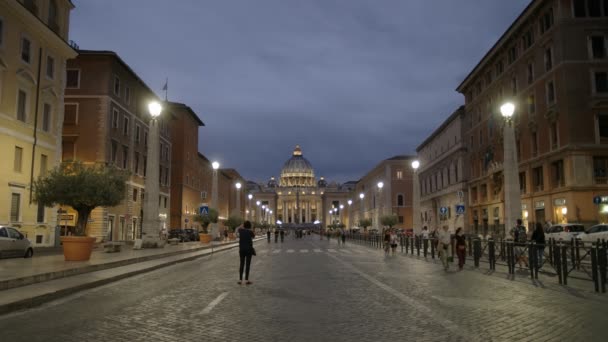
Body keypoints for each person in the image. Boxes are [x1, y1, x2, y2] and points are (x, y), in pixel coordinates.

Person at [237, 221, 255, 285]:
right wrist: (250, 228)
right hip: (248, 250)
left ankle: (240, 280)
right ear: (249, 226)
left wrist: (241, 225)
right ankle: (247, 280)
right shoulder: (250, 232)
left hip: (241, 250)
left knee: (241, 264)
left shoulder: (240, 231)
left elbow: (237, 229)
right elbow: (253, 236)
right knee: (247, 265)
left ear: (244, 225)